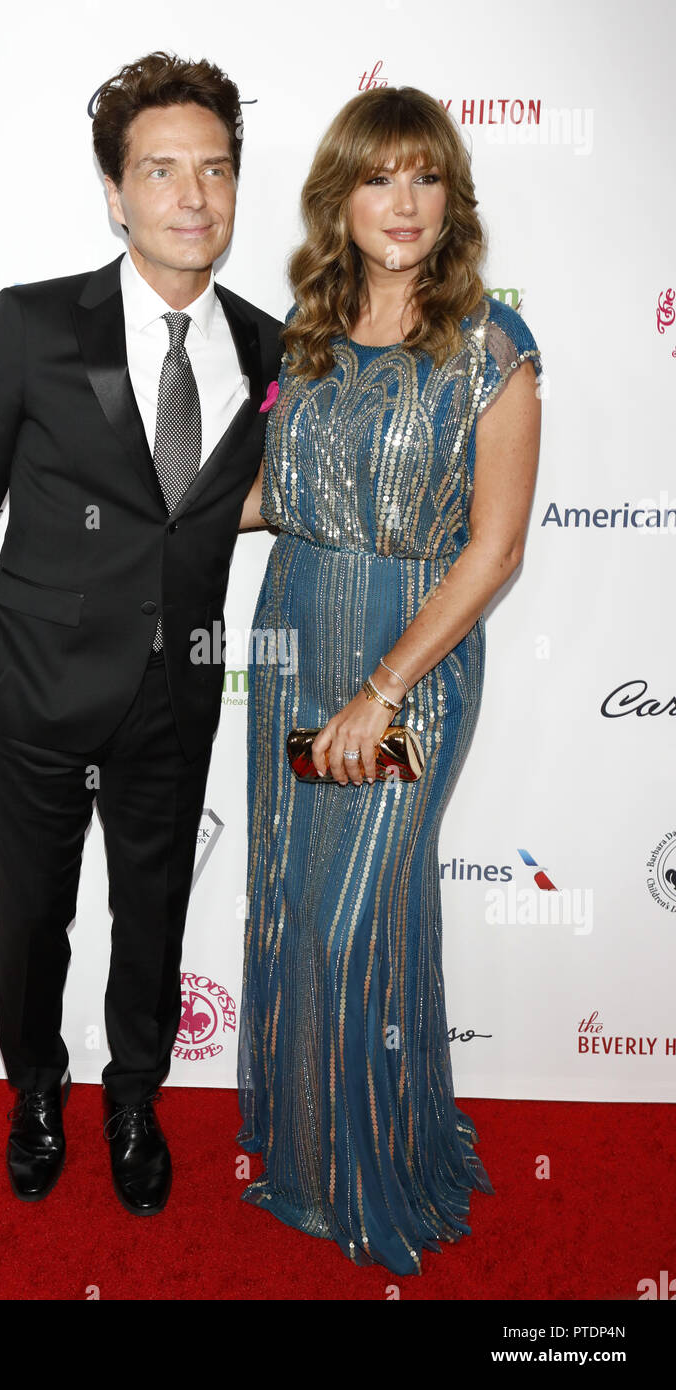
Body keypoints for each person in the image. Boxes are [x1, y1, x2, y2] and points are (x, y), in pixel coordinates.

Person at [0, 51, 283, 1212]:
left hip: (176, 692)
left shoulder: (271, 349)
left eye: (215, 170)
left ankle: (136, 1095)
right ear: (116, 193)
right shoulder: (35, 326)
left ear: (236, 186)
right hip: (27, 689)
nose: (193, 196)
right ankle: (35, 1087)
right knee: (33, 918)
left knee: (155, 911)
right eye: (162, 170)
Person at [236, 86, 543, 1273]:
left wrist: (385, 689)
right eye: (378, 178)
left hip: (405, 656)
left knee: (349, 916)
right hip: (294, 631)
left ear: (449, 195)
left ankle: (371, 1170)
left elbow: (497, 547)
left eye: (424, 176)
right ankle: (314, 1146)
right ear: (342, 200)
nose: (402, 202)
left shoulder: (490, 348)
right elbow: (275, 500)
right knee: (293, 898)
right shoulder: (306, 337)